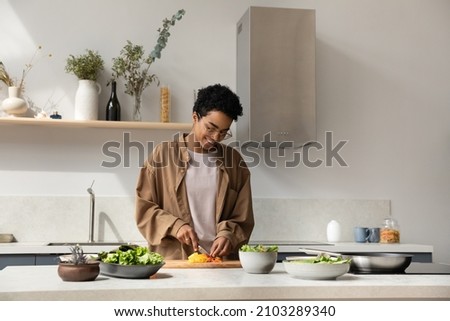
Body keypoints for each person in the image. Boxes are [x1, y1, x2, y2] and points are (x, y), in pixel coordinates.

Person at [135, 84, 254, 260]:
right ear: (195, 117)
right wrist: (175, 226)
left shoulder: (234, 162)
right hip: (175, 262)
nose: (215, 138)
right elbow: (144, 210)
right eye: (210, 128)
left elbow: (243, 217)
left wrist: (227, 234)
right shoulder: (163, 155)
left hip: (221, 264)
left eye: (223, 132)